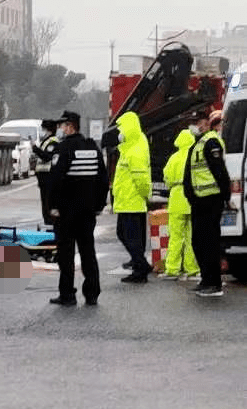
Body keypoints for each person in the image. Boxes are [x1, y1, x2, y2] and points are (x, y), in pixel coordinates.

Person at [47, 111, 108, 306]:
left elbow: (55, 180)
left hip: (67, 212)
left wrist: (53, 206)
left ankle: (67, 294)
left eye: (63, 126)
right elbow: (103, 180)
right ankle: (92, 293)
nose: (61, 129)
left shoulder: (64, 148)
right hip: (88, 212)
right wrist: (98, 205)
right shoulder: (92, 147)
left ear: (70, 126)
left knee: (66, 254)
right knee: (88, 252)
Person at [184, 108, 230, 297]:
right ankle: (206, 279)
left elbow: (219, 172)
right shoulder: (198, 143)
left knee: (209, 243)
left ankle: (214, 283)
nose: (197, 125)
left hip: (211, 200)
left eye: (199, 122)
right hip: (199, 201)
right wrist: (191, 195)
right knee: (198, 241)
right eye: (195, 122)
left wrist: (225, 197)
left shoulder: (211, 142)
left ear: (206, 123)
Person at [113, 111, 153, 284]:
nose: (119, 132)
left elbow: (142, 179)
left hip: (132, 202)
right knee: (125, 235)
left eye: (121, 128)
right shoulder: (129, 148)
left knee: (128, 237)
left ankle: (141, 267)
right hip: (126, 201)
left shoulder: (134, 151)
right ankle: (140, 266)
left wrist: (145, 196)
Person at [159, 129, 200, 281]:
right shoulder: (195, 156)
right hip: (192, 198)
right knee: (191, 237)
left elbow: (167, 177)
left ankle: (172, 268)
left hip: (176, 198)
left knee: (175, 236)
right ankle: (192, 268)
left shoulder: (173, 158)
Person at [32, 119, 60, 226]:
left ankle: (50, 223)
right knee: (45, 201)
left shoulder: (52, 142)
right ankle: (48, 222)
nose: (43, 131)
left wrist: (36, 149)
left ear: (49, 130)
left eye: (44, 129)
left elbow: (47, 157)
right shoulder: (46, 140)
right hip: (44, 178)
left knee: (48, 202)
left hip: (49, 177)